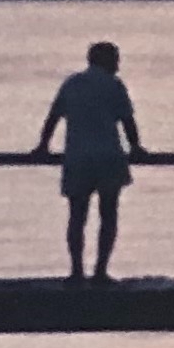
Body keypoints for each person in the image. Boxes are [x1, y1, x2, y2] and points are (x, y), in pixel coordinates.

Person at [33, 40, 147, 282]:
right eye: (116, 59)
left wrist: (43, 145)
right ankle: (100, 271)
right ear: (107, 61)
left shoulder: (72, 84)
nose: (118, 64)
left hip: (78, 156)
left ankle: (76, 271)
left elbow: (53, 117)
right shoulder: (114, 86)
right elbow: (127, 120)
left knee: (77, 216)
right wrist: (136, 147)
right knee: (108, 214)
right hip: (108, 155)